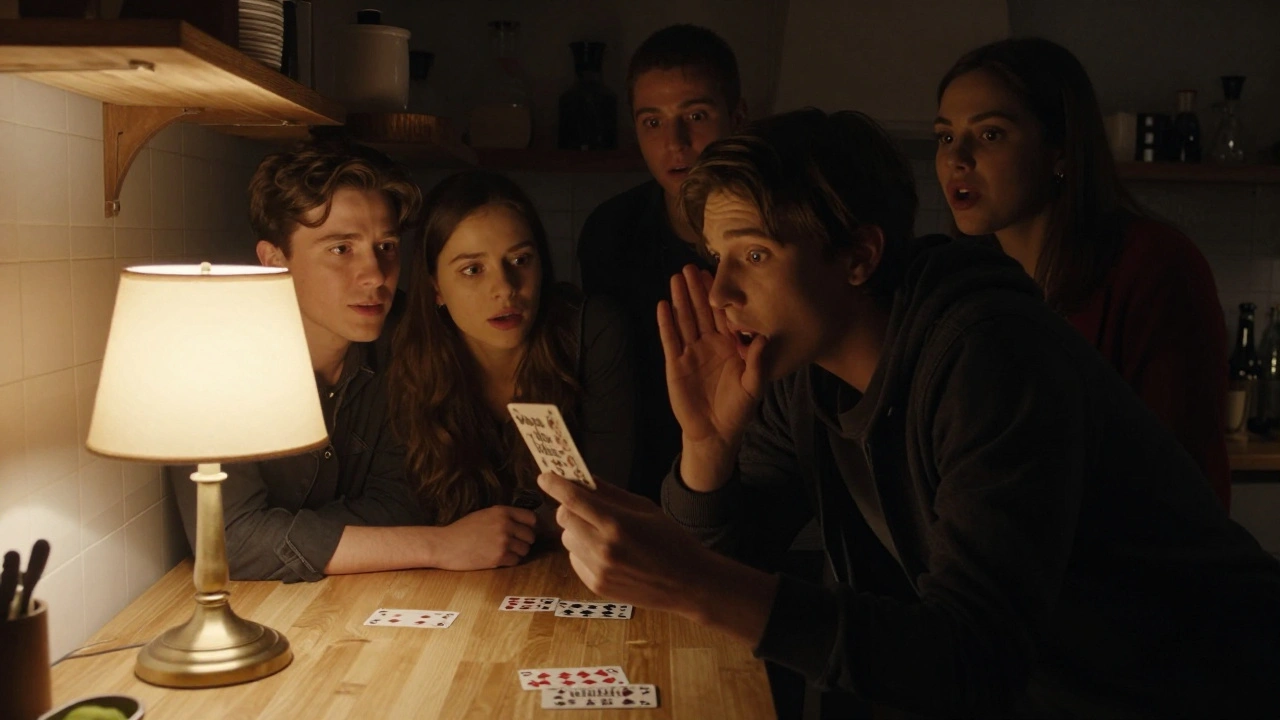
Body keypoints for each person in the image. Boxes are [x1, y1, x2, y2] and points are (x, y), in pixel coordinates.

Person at [539, 109, 1280, 717]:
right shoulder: (803, 368)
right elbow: (735, 562)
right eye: (715, 254)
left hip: (1203, 692)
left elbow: (974, 657)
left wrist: (696, 581)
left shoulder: (989, 353)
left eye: (755, 255)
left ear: (858, 257)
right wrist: (706, 446)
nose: (722, 290)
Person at [934, 37, 1231, 508]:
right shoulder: (964, 286)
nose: (956, 158)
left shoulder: (1154, 264)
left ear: (1060, 151)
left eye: (990, 134)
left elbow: (1183, 480)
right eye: (946, 136)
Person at [169, 139, 471, 582]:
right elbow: (231, 541)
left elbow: (405, 502)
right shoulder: (215, 361)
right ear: (275, 261)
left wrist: (289, 537)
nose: (374, 275)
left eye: (385, 247)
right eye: (340, 249)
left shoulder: (405, 337)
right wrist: (439, 545)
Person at [389, 170, 634, 545]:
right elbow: (400, 507)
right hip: (452, 580)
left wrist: (506, 532)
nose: (505, 288)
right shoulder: (407, 355)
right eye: (472, 270)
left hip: (584, 569)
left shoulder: (590, 333)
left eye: (520, 260)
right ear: (436, 285)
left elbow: (610, 495)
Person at [576, 24, 747, 500]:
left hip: (754, 481)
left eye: (695, 115)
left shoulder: (773, 235)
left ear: (737, 117)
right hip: (637, 479)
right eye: (652, 121)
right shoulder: (610, 231)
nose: (675, 141)